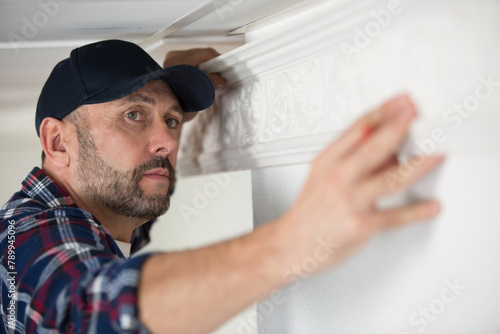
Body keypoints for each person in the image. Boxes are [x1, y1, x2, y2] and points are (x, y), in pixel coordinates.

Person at [0, 39, 444, 334]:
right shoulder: (29, 238)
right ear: (57, 142)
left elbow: (125, 215)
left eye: (173, 121)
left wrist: (156, 103)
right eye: (133, 115)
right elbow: (91, 309)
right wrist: (295, 240)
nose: (169, 141)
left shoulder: (94, 215)